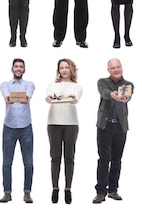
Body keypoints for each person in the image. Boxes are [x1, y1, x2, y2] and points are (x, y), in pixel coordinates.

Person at [93, 59, 134, 204]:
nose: (116, 70)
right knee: (104, 159)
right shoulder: (102, 82)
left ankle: (113, 190)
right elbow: (103, 92)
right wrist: (112, 95)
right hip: (105, 126)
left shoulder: (128, 84)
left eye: (118, 67)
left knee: (116, 160)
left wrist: (126, 97)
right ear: (108, 70)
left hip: (120, 127)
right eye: (113, 68)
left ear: (121, 68)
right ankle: (101, 191)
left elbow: (128, 95)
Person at [45, 58, 82, 204]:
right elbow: (48, 98)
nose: (64, 70)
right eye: (62, 68)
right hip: (54, 123)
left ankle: (68, 189)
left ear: (71, 69)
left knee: (69, 157)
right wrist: (49, 98)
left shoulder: (77, 86)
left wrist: (71, 98)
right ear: (58, 70)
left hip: (71, 124)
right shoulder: (52, 85)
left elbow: (75, 99)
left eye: (67, 67)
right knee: (55, 157)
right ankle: (55, 189)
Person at [0, 58, 35, 203]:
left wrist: (17, 97)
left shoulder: (30, 84)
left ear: (24, 69)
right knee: (7, 162)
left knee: (28, 162)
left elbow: (26, 98)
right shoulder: (4, 85)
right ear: (12, 69)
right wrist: (15, 97)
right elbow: (8, 97)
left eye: (21, 67)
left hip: (26, 127)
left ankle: (27, 192)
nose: (18, 69)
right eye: (16, 66)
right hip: (9, 127)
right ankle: (7, 192)